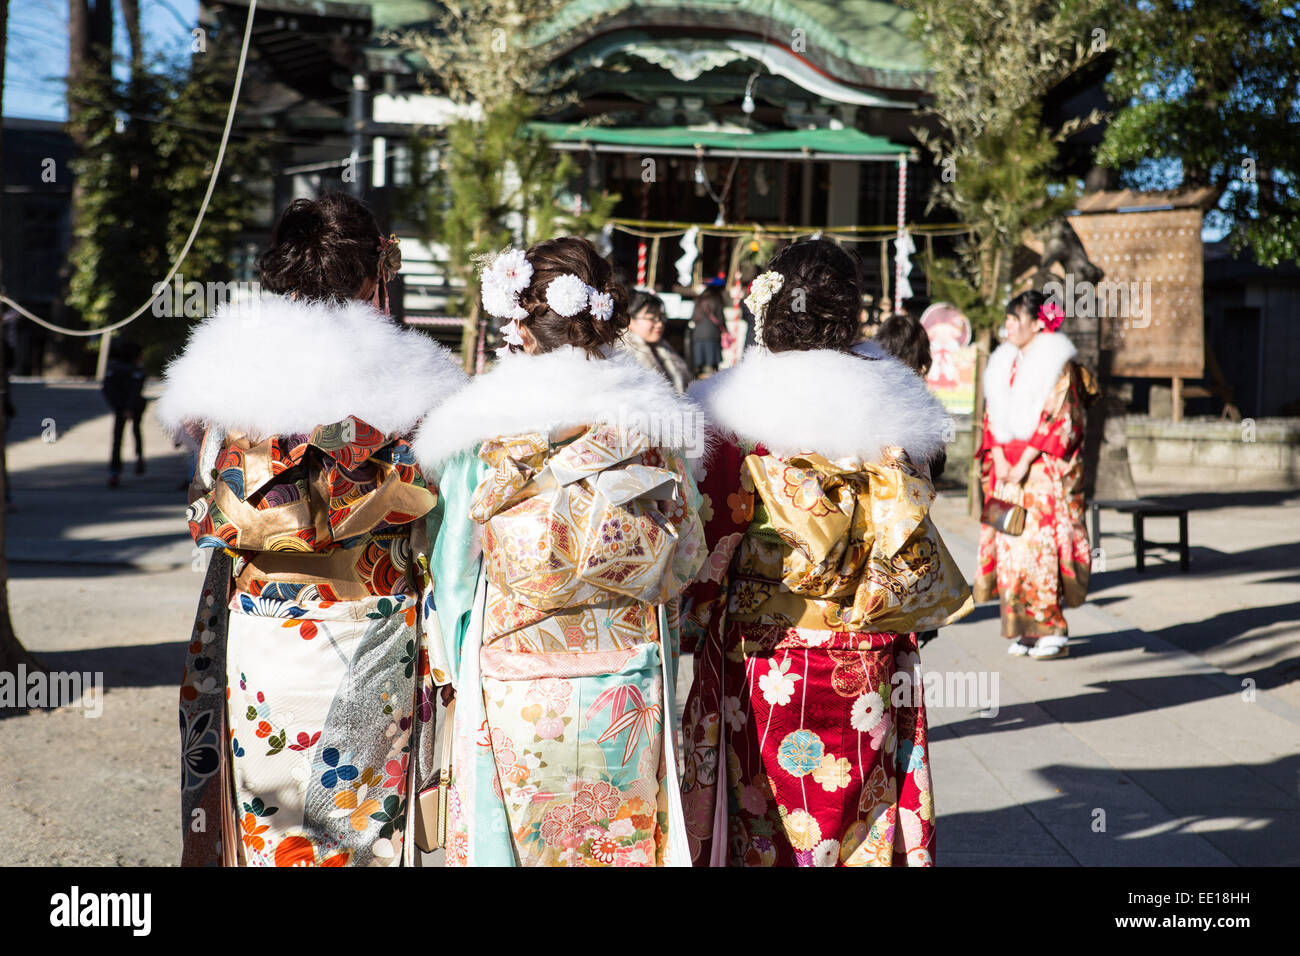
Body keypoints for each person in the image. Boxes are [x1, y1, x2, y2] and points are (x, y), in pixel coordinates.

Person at [157, 191, 468, 866]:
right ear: (375, 272)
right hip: (371, 628)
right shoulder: (417, 379)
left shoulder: (225, 372)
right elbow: (438, 519)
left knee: (269, 823)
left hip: (260, 628)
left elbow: (209, 490)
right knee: (357, 832)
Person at [413, 236, 706, 866]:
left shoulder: (483, 424)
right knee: (619, 839)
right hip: (625, 670)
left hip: (515, 666)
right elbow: (683, 559)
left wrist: (448, 656)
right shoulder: (654, 422)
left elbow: (457, 567)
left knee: (516, 838)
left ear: (521, 326)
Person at [680, 238, 971, 867]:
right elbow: (909, 522)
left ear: (768, 310)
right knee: (858, 811)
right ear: (852, 313)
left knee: (762, 813)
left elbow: (711, 544)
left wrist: (692, 617)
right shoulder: (893, 407)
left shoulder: (733, 411)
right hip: (865, 646)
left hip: (762, 656)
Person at [974, 290, 1098, 660]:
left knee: (1039, 549)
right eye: (1008, 319)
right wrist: (997, 454)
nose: (1008, 325)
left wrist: (1025, 460)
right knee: (1010, 547)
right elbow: (992, 415)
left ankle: (1051, 627)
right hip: (1005, 469)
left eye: (1016, 318)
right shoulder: (1004, 363)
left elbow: (1062, 419)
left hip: (1041, 471)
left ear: (1038, 322)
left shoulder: (1058, 364)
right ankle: (1024, 629)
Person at [620, 290, 692, 392]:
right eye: (652, 318)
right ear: (629, 320)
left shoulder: (665, 350)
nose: (660, 324)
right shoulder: (622, 355)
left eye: (661, 318)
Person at [102, 339, 146, 488]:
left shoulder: (113, 368)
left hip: (122, 407)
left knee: (118, 438)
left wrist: (118, 406)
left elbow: (107, 389)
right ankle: (137, 457)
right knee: (135, 431)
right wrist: (128, 407)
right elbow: (135, 390)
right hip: (130, 406)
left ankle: (115, 471)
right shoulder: (136, 370)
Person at [688, 283, 728, 375]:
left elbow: (694, 317)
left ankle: (699, 377)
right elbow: (720, 317)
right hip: (712, 333)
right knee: (712, 362)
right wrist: (725, 329)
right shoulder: (716, 300)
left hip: (699, 334)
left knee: (699, 361)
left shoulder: (698, 300)